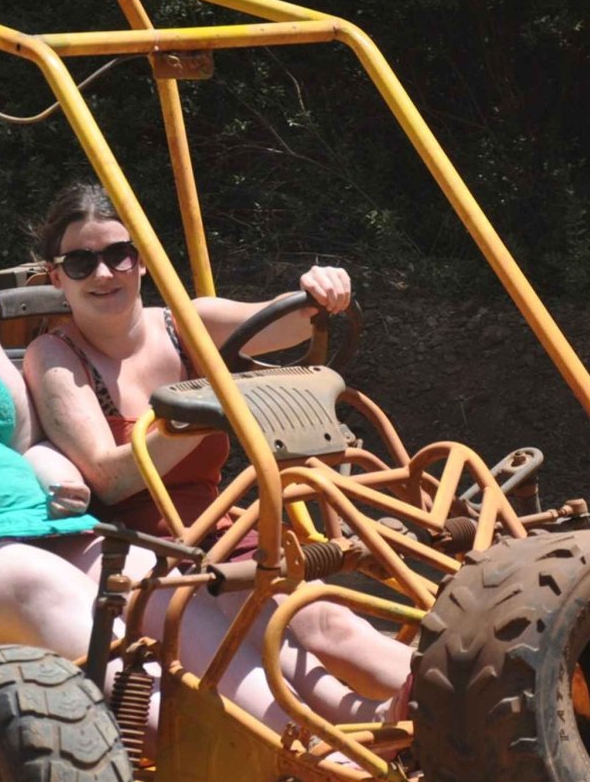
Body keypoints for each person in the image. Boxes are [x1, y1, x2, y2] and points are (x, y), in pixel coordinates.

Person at [0, 150, 391, 737]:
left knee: (164, 587)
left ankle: (315, 737)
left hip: (26, 525)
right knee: (53, 595)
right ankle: (223, 754)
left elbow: (25, 431)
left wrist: (43, 459)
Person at [22, 181, 413, 710]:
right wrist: (214, 408)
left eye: (118, 255)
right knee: (257, 628)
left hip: (219, 527)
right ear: (55, 276)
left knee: (326, 619)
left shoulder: (187, 324)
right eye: (80, 263)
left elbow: (287, 322)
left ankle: (462, 698)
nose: (103, 273)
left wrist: (321, 290)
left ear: (141, 260)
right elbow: (112, 478)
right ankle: (370, 724)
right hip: (134, 551)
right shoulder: (55, 355)